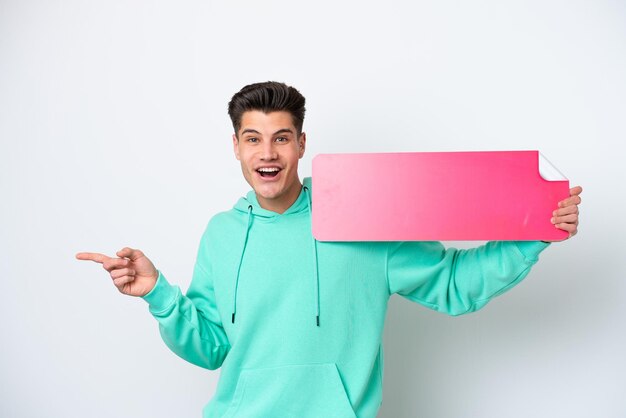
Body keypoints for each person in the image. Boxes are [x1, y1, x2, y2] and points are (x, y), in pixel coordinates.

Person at [76, 81, 582, 418]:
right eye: (253, 139)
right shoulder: (221, 234)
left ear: (301, 143)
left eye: (281, 138)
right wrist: (158, 294)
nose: (267, 154)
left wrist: (531, 234)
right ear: (236, 147)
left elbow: (452, 286)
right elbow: (211, 349)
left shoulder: (363, 214)